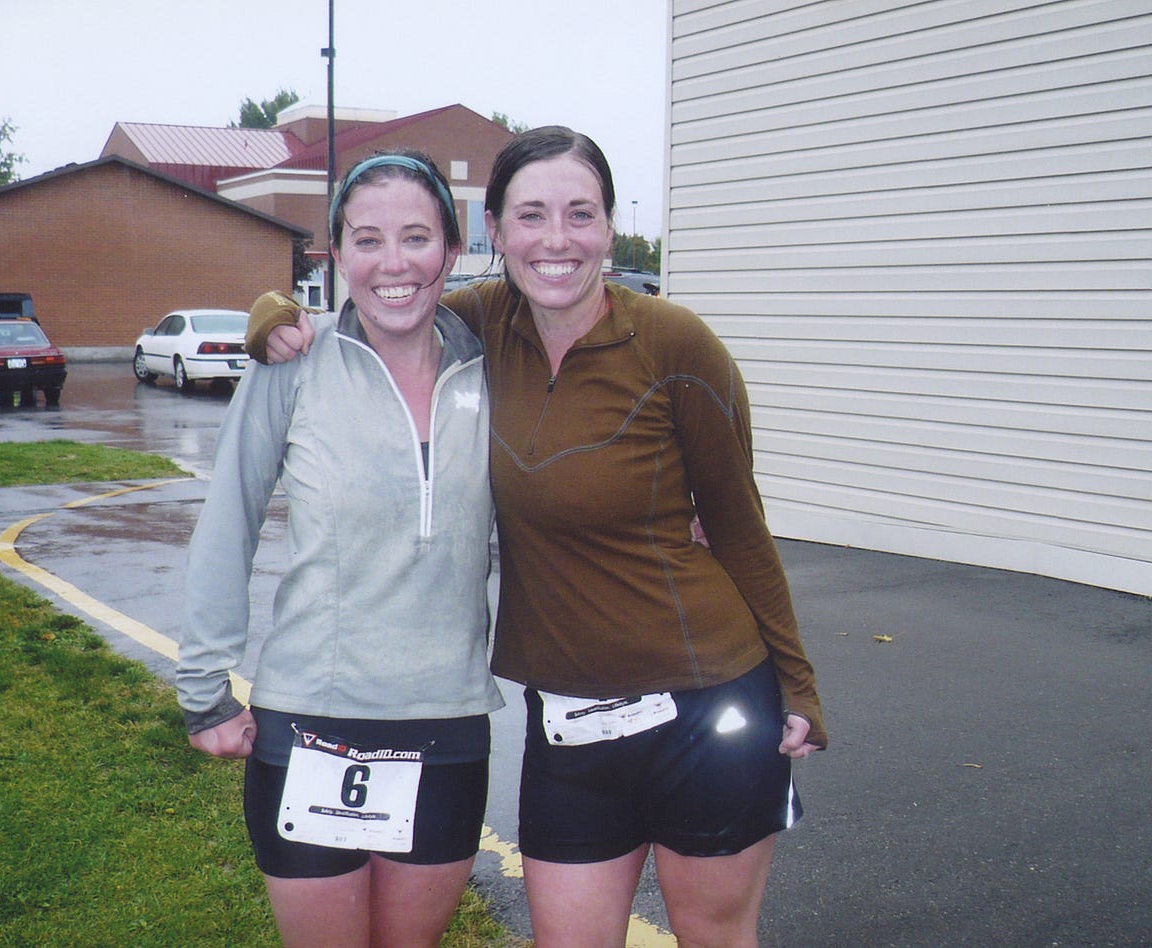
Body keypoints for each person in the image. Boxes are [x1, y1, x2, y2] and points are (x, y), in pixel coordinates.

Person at [247, 126, 827, 948]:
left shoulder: (676, 343)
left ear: (610, 225)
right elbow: (381, 299)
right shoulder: (478, 328)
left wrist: (798, 687)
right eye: (531, 216)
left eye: (580, 214)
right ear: (495, 232)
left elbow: (740, 527)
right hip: (570, 722)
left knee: (715, 936)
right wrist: (272, 316)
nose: (557, 240)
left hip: (712, 704)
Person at [177, 149, 503, 948]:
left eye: (418, 237)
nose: (394, 263)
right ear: (336, 255)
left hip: (448, 726)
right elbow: (231, 516)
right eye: (367, 239)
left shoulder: (498, 371)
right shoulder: (294, 362)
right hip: (311, 724)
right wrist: (202, 687)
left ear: (453, 253)